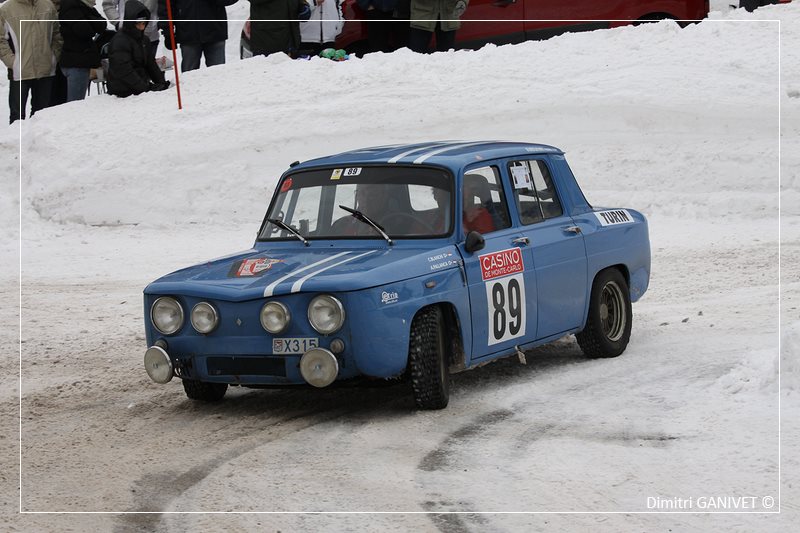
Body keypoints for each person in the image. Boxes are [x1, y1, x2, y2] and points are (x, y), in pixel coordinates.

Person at [0, 0, 63, 123]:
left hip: (46, 69)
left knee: (41, 115)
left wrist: (53, 57)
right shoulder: (7, 9)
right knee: (17, 116)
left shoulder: (48, 6)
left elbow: (57, 34)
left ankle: (37, 142)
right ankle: (17, 142)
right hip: (20, 72)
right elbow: (1, 40)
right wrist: (12, 62)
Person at [107, 0, 170, 97]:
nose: (141, 27)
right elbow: (124, 71)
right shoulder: (119, 41)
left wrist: (161, 83)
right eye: (138, 23)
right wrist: (146, 88)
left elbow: (151, 64)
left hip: (139, 87)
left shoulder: (144, 40)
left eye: (143, 23)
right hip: (121, 91)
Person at [158, 0, 237, 72]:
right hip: (188, 33)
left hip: (215, 32)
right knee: (189, 75)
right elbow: (166, 7)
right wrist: (167, 31)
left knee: (218, 73)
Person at [59, 0, 108, 102]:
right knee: (74, 104)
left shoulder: (86, 7)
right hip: (76, 62)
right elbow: (85, 30)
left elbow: (103, 24)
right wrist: (91, 21)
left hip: (80, 60)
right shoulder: (71, 7)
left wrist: (88, 19)